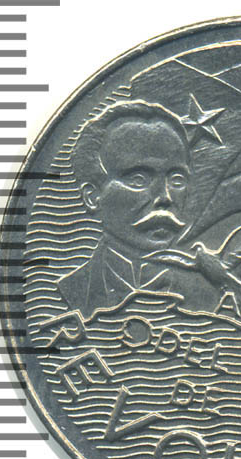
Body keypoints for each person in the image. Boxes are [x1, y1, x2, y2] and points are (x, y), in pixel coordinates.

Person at [57, 100, 192, 318]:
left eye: (176, 180)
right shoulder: (70, 291)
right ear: (93, 197)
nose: (164, 198)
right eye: (138, 180)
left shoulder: (218, 293)